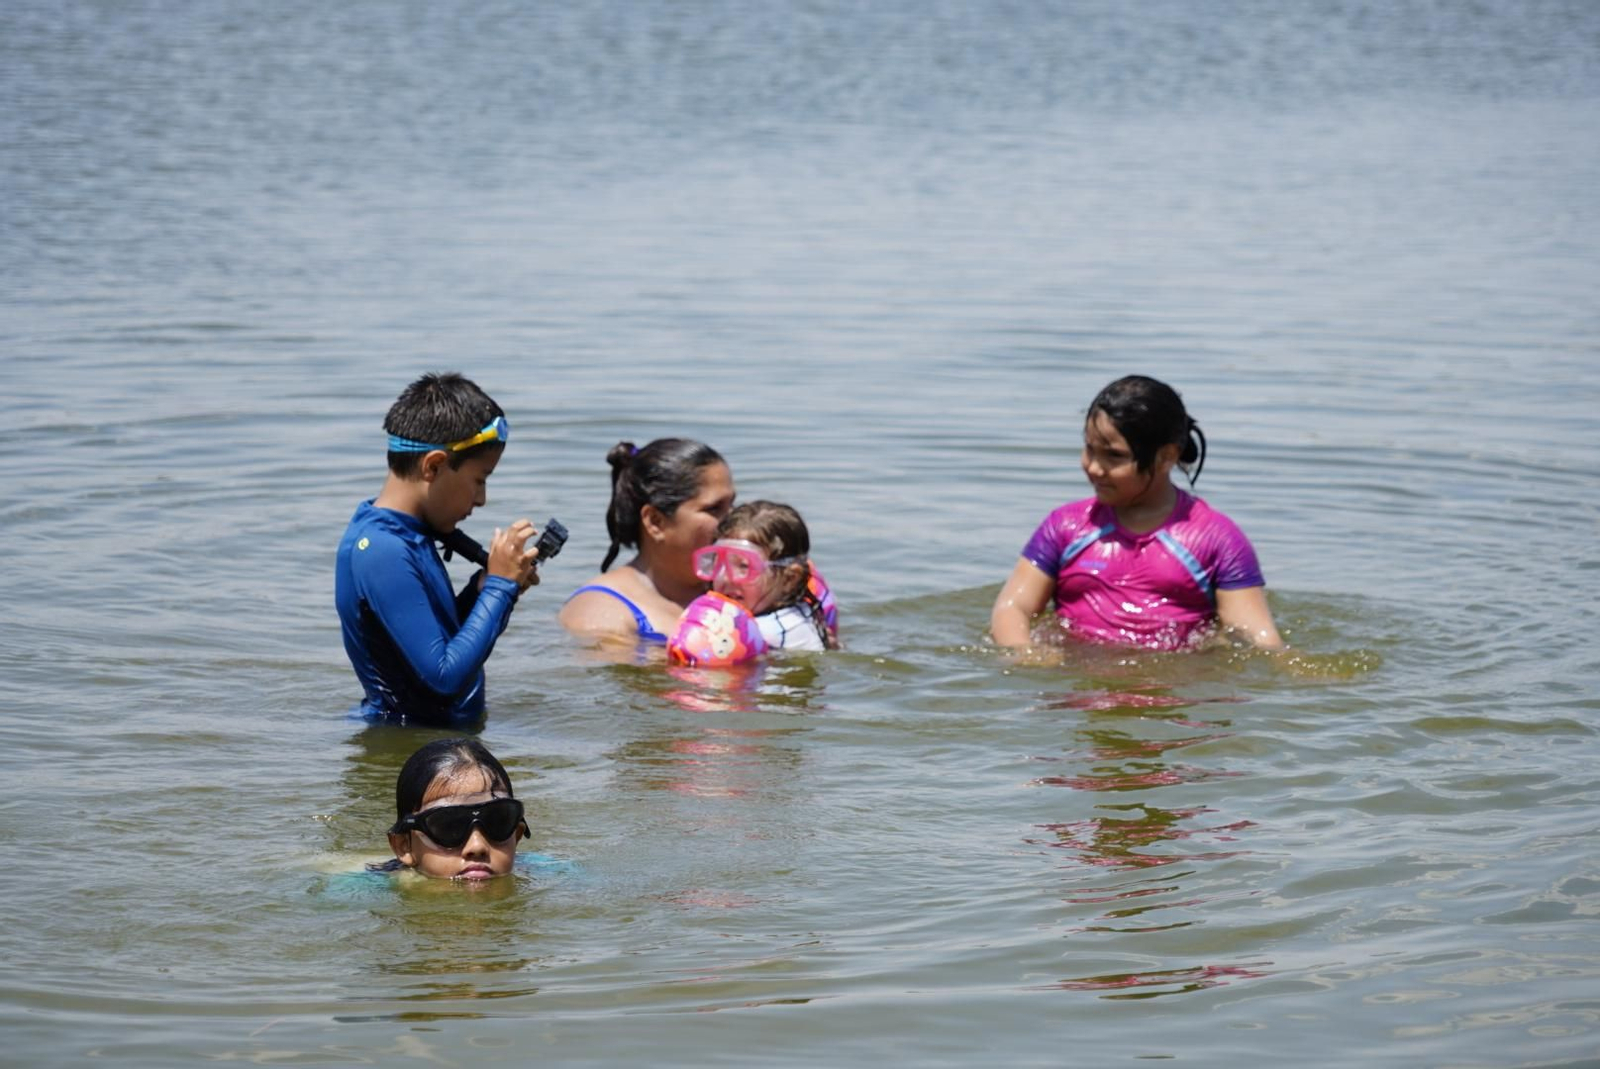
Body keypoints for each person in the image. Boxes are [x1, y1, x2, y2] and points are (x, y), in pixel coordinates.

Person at [990, 375, 1284, 651]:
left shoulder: (1216, 538)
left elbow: (1254, 633)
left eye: (1114, 456)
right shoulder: (1065, 527)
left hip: (1172, 689)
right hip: (1077, 688)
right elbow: (1013, 607)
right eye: (1090, 449)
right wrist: (1025, 653)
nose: (1094, 467)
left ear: (1166, 456)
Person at [335, 372, 543, 723]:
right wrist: (499, 588)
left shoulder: (408, 534)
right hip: (407, 751)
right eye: (479, 480)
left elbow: (435, 639)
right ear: (433, 466)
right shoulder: (381, 549)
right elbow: (443, 677)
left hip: (432, 745)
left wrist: (484, 589)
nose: (482, 499)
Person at [559, 438, 735, 643]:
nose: (734, 519)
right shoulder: (602, 613)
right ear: (655, 522)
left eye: (732, 505)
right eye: (714, 508)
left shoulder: (739, 589)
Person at [379, 737, 528, 881]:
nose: (477, 847)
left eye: (497, 821)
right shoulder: (373, 886)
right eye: (449, 826)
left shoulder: (546, 870)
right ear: (404, 846)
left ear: (516, 835)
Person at [696, 501, 838, 652]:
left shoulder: (767, 632)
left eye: (744, 566)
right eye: (719, 563)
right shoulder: (798, 613)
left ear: (790, 579)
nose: (725, 578)